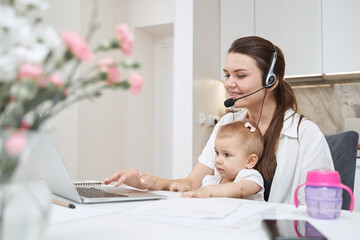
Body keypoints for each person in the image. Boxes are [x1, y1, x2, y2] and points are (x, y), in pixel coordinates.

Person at [104, 36, 334, 204]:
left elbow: (317, 207)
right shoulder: (227, 125)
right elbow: (192, 182)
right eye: (227, 74)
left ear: (271, 80)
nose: (229, 83)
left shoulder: (305, 134)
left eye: (240, 75)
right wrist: (146, 181)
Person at [180, 120, 264, 200]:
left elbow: (240, 190)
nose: (218, 160)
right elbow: (201, 194)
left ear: (250, 161)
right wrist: (188, 190)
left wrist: (209, 191)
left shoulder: (251, 177)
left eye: (227, 155)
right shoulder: (213, 181)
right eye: (217, 153)